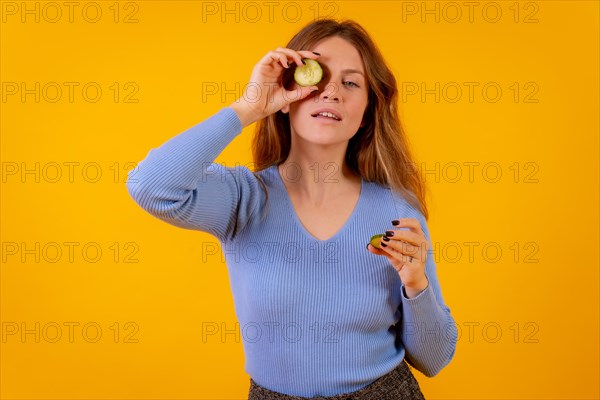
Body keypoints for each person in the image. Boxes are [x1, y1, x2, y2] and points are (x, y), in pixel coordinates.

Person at [127, 18, 457, 400]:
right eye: (315, 76)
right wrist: (250, 106)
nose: (331, 91)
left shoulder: (397, 210)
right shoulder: (243, 198)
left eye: (351, 82)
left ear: (367, 110)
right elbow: (150, 186)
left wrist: (417, 284)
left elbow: (434, 360)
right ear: (285, 93)